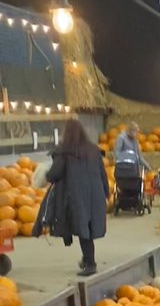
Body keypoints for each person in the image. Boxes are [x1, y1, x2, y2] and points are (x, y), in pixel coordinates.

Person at [39, 118, 109, 276]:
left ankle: (90, 264)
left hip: (77, 196)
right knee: (87, 229)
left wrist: (44, 174)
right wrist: (106, 193)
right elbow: (102, 173)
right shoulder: (93, 150)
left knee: (83, 228)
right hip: (95, 194)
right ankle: (87, 259)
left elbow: (54, 174)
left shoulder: (64, 151)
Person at [113, 121, 150, 196]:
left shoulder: (135, 141)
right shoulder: (121, 138)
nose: (137, 134)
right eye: (136, 132)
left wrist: (147, 166)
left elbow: (138, 156)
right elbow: (117, 154)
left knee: (137, 181)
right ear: (131, 131)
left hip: (133, 170)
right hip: (122, 169)